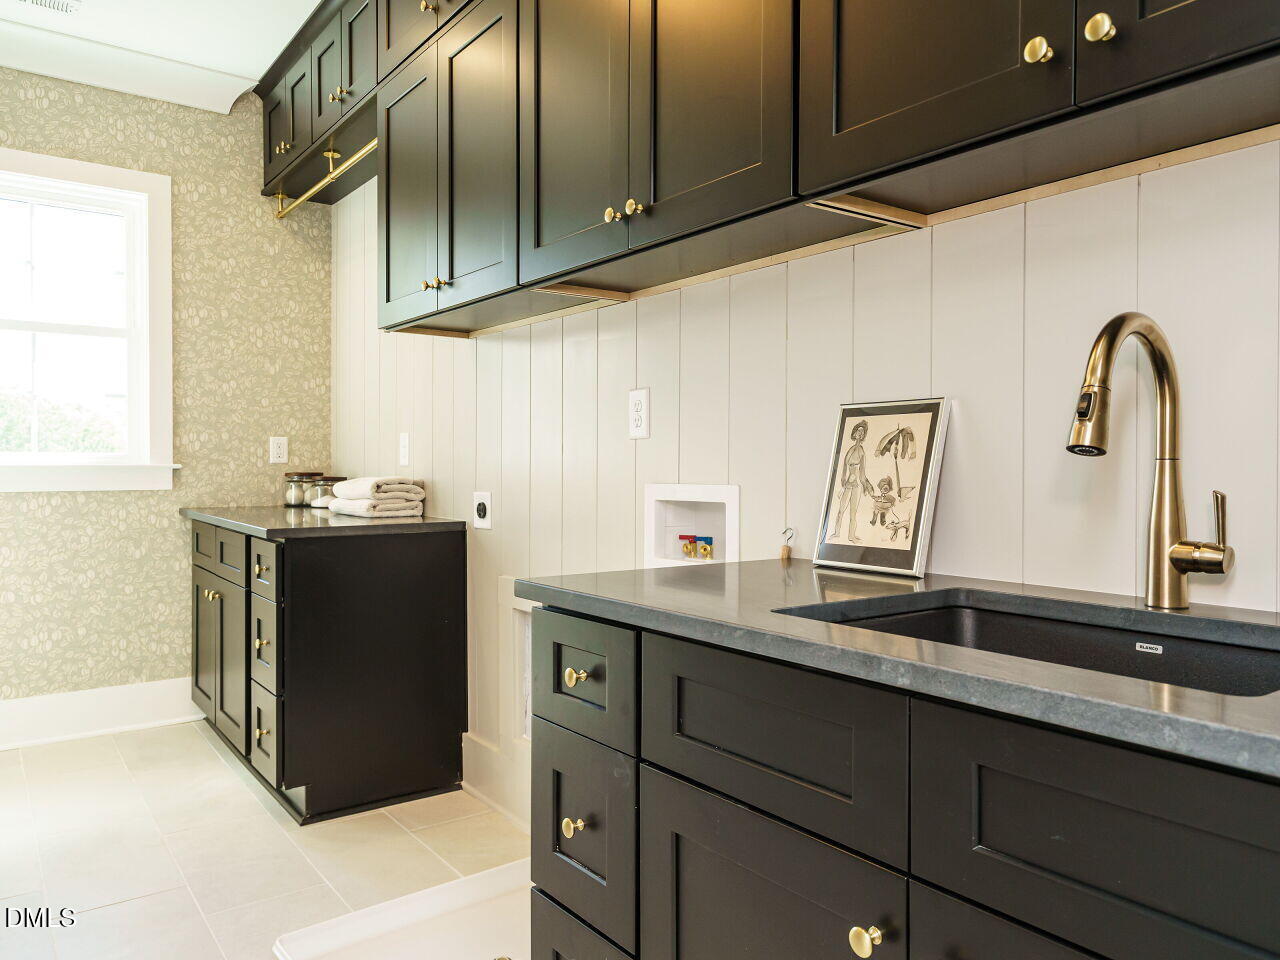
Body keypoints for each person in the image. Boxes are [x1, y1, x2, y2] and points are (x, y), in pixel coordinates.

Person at [829, 419, 874, 542]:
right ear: (854, 433)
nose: (860, 433)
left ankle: (851, 536)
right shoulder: (850, 449)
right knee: (841, 509)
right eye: (859, 431)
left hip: (857, 484)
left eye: (862, 432)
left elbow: (862, 472)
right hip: (848, 482)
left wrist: (866, 485)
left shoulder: (861, 451)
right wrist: (843, 480)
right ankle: (836, 532)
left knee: (853, 513)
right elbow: (844, 466)